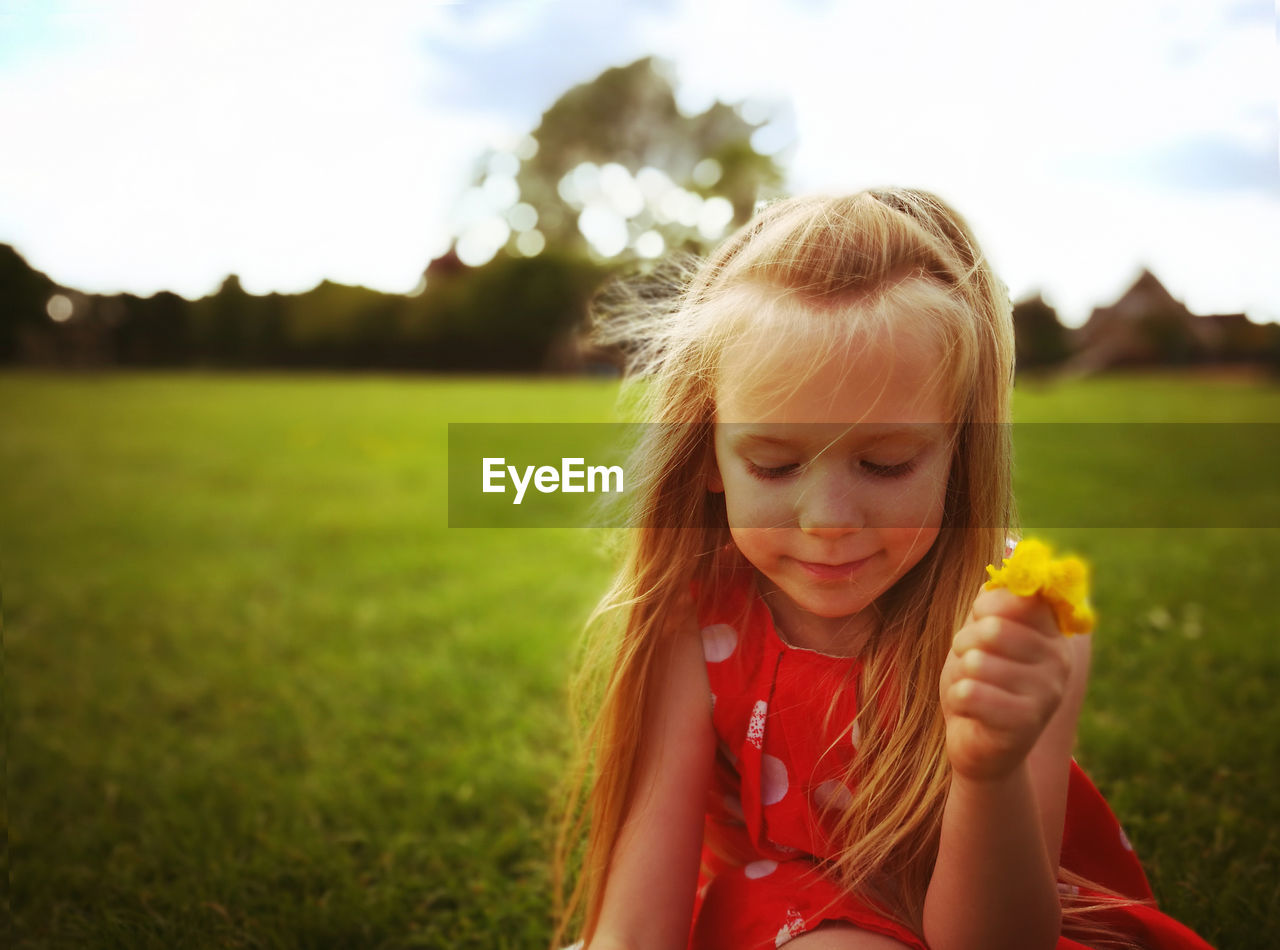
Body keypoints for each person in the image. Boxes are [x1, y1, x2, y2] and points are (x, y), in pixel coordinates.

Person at [553, 189, 1214, 950]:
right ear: (709, 454)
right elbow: (637, 926)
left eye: (886, 462)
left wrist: (986, 769)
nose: (829, 518)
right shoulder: (694, 613)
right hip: (791, 912)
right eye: (773, 465)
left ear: (958, 452)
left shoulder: (1014, 620)